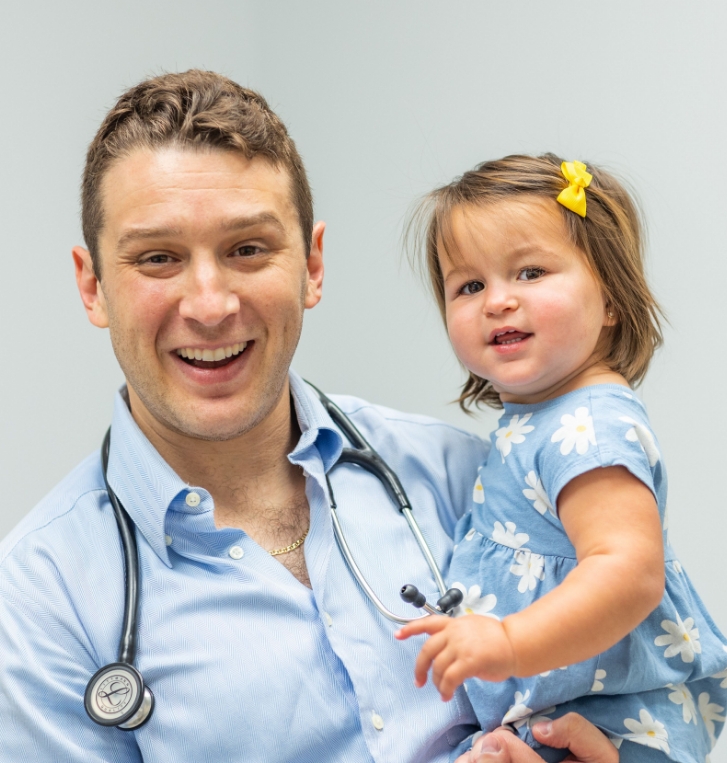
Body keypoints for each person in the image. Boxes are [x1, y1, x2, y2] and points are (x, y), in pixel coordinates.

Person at [0, 71, 617, 762]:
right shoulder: (39, 599)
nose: (209, 304)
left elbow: (632, 681)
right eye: (158, 258)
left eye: (247, 249)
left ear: (312, 265)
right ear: (94, 287)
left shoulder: (462, 478)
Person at [396, 155, 727, 762]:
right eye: (469, 285)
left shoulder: (591, 423)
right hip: (566, 712)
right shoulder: (539, 417)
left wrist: (509, 641)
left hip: (623, 722)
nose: (497, 301)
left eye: (529, 272)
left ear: (611, 298)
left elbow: (629, 573)